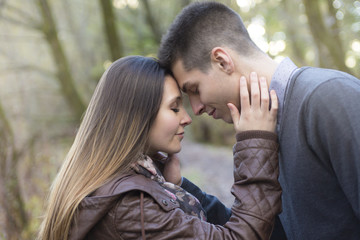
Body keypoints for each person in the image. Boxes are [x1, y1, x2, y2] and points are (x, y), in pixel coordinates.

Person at [158, 1, 360, 239]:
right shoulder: (262, 130)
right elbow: (270, 233)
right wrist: (183, 186)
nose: (196, 108)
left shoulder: (329, 97)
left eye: (194, 89)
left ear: (222, 61)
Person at [37, 55, 281, 240]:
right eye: (174, 107)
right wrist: (255, 142)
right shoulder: (129, 207)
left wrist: (177, 186)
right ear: (137, 117)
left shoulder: (128, 186)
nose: (187, 117)